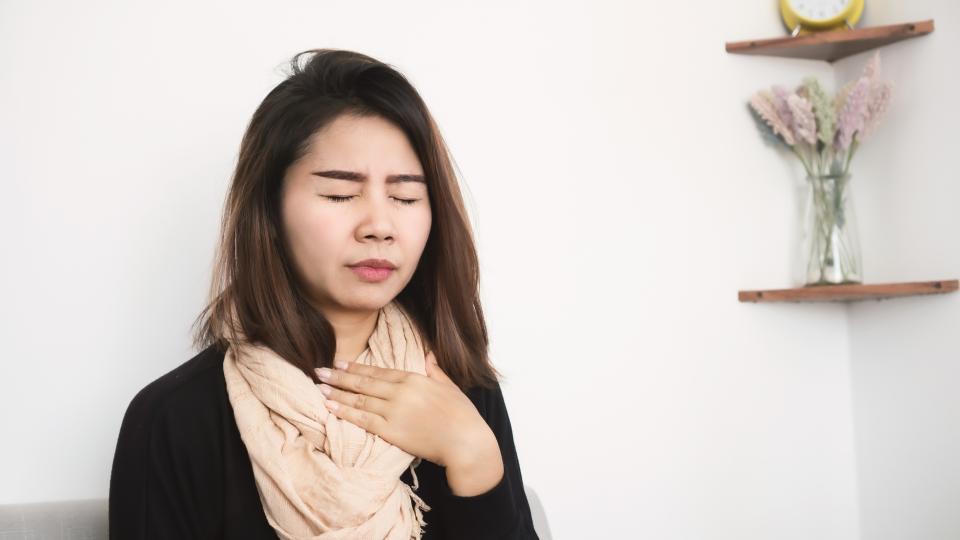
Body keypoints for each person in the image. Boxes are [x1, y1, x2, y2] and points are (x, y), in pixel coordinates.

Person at [108, 48, 539, 539]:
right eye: (340, 194)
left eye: (405, 197)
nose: (380, 226)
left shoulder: (462, 390)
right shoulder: (176, 419)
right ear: (269, 210)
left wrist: (473, 456)